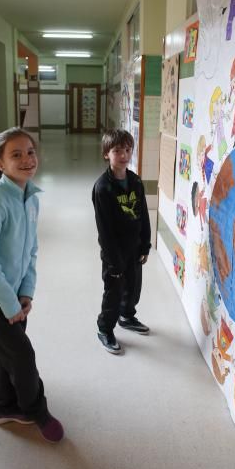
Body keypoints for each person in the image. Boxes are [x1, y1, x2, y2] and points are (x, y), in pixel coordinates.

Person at [0, 128, 63, 443]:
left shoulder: (30, 198)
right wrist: (9, 303)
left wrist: (25, 292)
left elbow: (31, 250)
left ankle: (3, 407)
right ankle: (36, 410)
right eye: (16, 155)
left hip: (14, 294)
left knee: (9, 352)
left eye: (30, 152)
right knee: (22, 355)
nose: (26, 160)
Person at [92, 129, 151, 354]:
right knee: (114, 292)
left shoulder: (135, 181)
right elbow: (104, 230)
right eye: (117, 150)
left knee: (133, 288)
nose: (124, 155)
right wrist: (113, 261)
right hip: (114, 253)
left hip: (134, 248)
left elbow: (144, 215)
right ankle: (105, 328)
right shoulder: (103, 188)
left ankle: (127, 317)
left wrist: (145, 244)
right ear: (107, 153)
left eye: (128, 150)